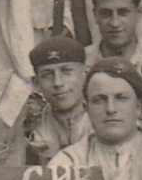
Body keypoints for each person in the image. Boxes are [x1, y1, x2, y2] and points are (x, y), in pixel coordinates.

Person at [22, 35, 92, 165]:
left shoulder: (100, 119)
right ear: (36, 83)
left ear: (85, 74)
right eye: (47, 75)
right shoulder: (32, 126)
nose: (58, 83)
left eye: (66, 71)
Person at [85, 0, 142, 69]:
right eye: (106, 13)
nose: (115, 23)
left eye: (123, 13)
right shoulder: (82, 62)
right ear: (95, 15)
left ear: (139, 13)